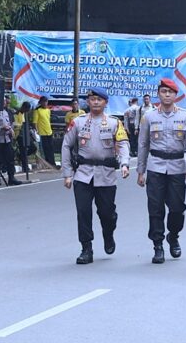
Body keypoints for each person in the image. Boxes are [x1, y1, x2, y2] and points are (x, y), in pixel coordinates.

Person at [61, 88, 130, 264]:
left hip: (106, 175)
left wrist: (124, 163)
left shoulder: (115, 123)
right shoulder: (78, 122)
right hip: (83, 174)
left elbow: (122, 144)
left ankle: (108, 234)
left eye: (99, 99)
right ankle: (86, 248)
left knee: (106, 213)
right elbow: (66, 146)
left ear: (106, 102)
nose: (96, 102)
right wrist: (67, 173)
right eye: (92, 99)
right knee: (83, 212)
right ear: (88, 102)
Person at [136, 78, 186, 264]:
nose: (167, 95)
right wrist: (141, 170)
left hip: (177, 167)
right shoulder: (149, 117)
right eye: (163, 91)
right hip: (155, 166)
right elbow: (143, 144)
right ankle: (158, 245)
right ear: (158, 94)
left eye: (170, 92)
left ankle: (174, 235)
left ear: (176, 95)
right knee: (155, 208)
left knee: (177, 208)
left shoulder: (185, 117)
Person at [0, 96, 23, 186]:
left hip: (6, 139)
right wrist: (1, 128)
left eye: (4, 101)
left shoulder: (5, 112)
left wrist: (11, 130)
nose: (4, 103)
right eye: (2, 101)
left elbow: (8, 123)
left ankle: (11, 177)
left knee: (10, 158)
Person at [32, 96, 55, 167]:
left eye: (46, 102)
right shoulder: (37, 111)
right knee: (45, 149)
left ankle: (52, 162)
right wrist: (37, 131)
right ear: (41, 102)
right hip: (42, 132)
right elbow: (34, 122)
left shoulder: (48, 110)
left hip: (49, 131)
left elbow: (48, 120)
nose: (45, 103)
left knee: (51, 148)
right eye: (44, 102)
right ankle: (47, 163)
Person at [15, 101, 33, 174]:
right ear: (24, 107)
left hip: (25, 134)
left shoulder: (24, 114)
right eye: (27, 109)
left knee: (32, 148)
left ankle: (20, 156)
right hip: (19, 134)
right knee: (23, 151)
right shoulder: (17, 114)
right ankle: (25, 167)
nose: (27, 111)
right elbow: (16, 124)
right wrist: (20, 126)